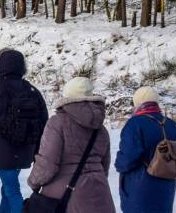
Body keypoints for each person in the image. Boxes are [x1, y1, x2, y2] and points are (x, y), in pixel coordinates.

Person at [0, 48, 48, 213]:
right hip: (25, 147)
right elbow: (44, 122)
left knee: (11, 189)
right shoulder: (33, 91)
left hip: (2, 149)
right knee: (8, 187)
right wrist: (39, 150)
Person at [26, 77, 114, 212]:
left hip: (67, 197)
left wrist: (34, 182)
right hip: (101, 194)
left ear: (67, 96)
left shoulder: (57, 123)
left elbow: (47, 164)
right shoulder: (101, 129)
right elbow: (104, 165)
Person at [115, 86, 176, 213]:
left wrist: (118, 164)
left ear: (137, 103)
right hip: (167, 188)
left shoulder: (134, 124)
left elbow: (127, 159)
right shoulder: (171, 124)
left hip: (139, 190)